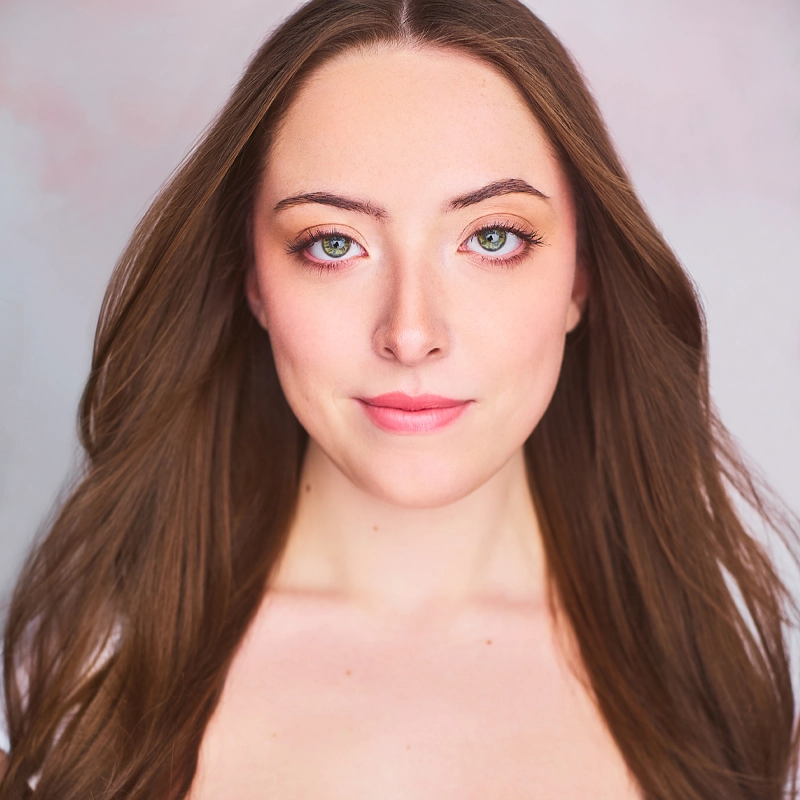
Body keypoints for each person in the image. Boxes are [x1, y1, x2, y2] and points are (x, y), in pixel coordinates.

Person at [1, 0, 799, 797]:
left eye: (492, 237)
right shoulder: (64, 699)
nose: (410, 332)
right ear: (251, 278)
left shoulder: (738, 699)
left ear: (580, 277)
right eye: (333, 243)